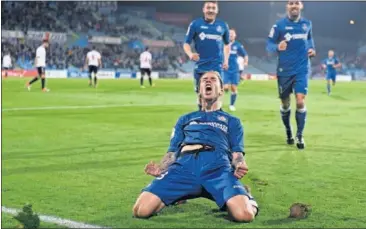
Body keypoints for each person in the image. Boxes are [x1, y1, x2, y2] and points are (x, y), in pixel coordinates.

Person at [133, 71, 259, 222]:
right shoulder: (185, 119)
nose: (208, 81)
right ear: (199, 90)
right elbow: (172, 152)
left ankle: (247, 196)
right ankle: (178, 195)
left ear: (220, 90)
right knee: (140, 210)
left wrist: (239, 164)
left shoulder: (232, 121)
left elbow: (237, 154)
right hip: (183, 168)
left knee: (244, 215)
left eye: (213, 79)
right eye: (204, 80)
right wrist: (162, 168)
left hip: (217, 168)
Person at [266, 0, 316, 149]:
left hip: (302, 69)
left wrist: (312, 49)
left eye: (297, 3)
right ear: (287, 6)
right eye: (291, 3)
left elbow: (310, 40)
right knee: (285, 103)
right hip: (284, 71)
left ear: (301, 6)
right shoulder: (279, 25)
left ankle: (299, 135)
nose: (294, 5)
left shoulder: (307, 24)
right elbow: (269, 44)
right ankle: (288, 131)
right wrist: (277, 46)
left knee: (300, 101)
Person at [183, 0, 230, 109]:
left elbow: (227, 44)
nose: (210, 10)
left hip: (216, 66)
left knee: (217, 95)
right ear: (203, 9)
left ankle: (216, 121)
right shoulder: (195, 24)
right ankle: (202, 120)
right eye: (208, 7)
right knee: (201, 97)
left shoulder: (223, 26)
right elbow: (186, 43)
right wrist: (190, 54)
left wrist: (226, 60)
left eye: (213, 8)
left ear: (217, 10)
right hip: (201, 65)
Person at [223, 29, 248, 111]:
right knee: (225, 87)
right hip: (225, 69)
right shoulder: (222, 44)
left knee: (234, 88)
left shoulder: (238, 45)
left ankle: (232, 105)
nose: (230, 35)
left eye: (232, 34)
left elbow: (245, 54)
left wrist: (246, 61)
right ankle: (217, 103)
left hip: (234, 70)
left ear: (235, 36)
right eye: (229, 34)